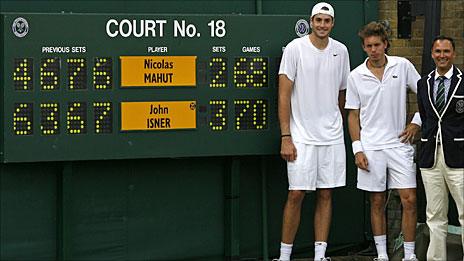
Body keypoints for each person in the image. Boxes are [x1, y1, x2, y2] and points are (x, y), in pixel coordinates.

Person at [276, 2, 350, 261]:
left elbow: (342, 94)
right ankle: (284, 256)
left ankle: (320, 255)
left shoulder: (341, 51)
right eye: (318, 20)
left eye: (326, 21)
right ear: (311, 21)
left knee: (326, 193)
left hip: (331, 137)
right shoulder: (295, 49)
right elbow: (283, 95)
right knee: (296, 194)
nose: (322, 25)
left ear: (332, 23)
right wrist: (286, 136)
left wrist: (336, 124)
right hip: (300, 137)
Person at [345, 21, 421, 261]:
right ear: (364, 47)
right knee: (377, 201)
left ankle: (409, 255)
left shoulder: (403, 65)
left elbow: (426, 94)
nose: (373, 49)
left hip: (400, 145)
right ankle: (381, 255)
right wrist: (358, 149)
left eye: (377, 44)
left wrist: (415, 123)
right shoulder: (356, 76)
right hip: (371, 147)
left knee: (409, 199)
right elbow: (353, 115)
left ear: (385, 45)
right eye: (369, 46)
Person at [417, 35, 464, 261]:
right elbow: (426, 118)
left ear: (453, 54)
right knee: (434, 216)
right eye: (438, 52)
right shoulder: (423, 83)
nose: (442, 56)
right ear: (432, 54)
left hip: (459, 157)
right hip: (431, 157)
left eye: (446, 51)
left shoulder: (463, 81)